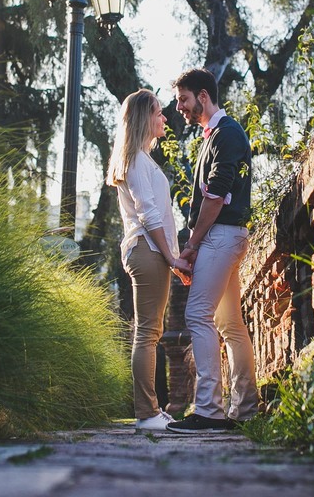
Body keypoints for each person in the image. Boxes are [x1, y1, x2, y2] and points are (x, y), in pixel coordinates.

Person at [165, 68, 259, 433]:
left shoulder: (227, 133)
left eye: (183, 100)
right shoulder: (214, 135)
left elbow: (216, 196)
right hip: (224, 236)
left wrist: (191, 246)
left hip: (221, 236)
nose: (179, 107)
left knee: (197, 314)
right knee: (229, 323)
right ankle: (245, 409)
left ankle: (208, 410)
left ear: (203, 96)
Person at [107, 88, 193, 434]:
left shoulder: (141, 159)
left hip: (150, 250)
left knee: (151, 331)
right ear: (145, 117)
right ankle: (147, 414)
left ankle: (152, 411)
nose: (164, 117)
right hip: (147, 250)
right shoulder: (135, 161)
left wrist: (172, 257)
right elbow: (149, 214)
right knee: (147, 333)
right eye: (158, 112)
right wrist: (172, 257)